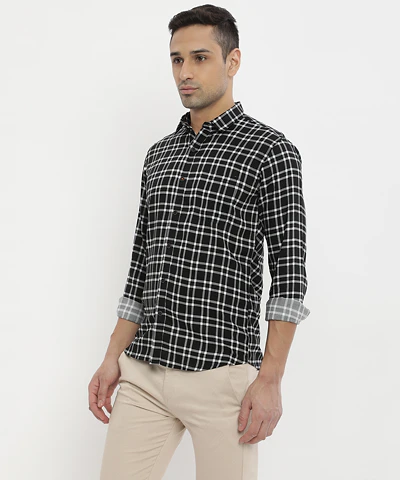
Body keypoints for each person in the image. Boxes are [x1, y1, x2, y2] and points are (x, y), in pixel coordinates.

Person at [88, 4, 310, 479]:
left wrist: (270, 379)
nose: (185, 72)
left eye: (200, 58)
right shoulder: (159, 156)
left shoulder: (270, 151)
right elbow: (140, 267)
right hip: (146, 372)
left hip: (222, 378)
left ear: (233, 61)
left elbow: (290, 278)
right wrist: (111, 358)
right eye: (176, 59)